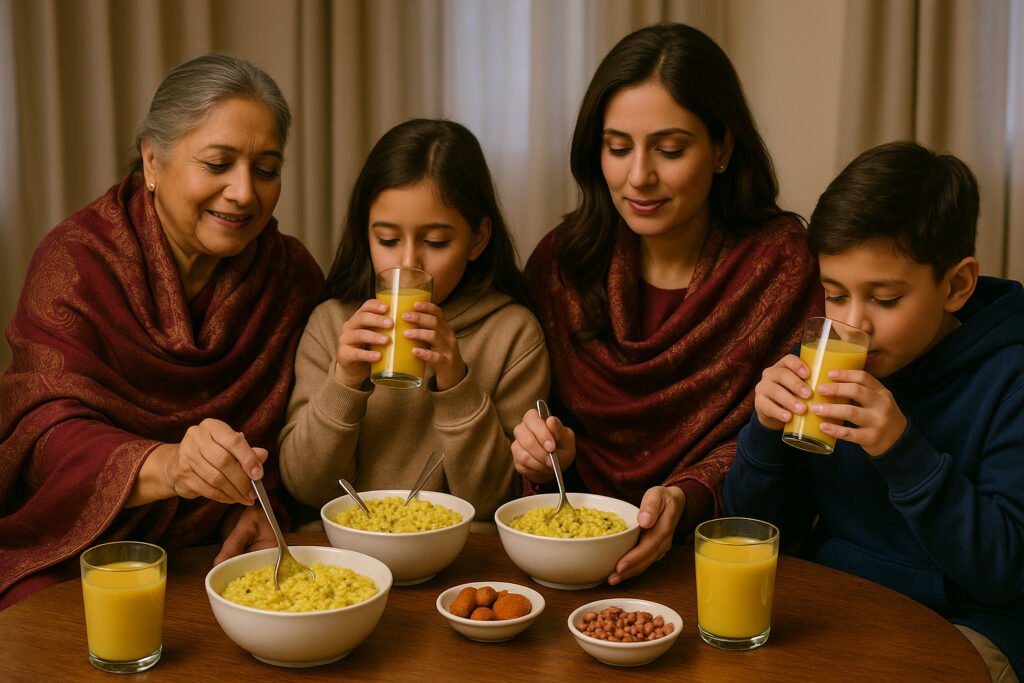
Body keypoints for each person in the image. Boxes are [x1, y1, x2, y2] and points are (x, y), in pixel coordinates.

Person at [0, 53, 324, 609]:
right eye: (218, 163)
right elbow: (41, 431)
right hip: (91, 544)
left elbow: (302, 435)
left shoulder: (290, 275)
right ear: (153, 159)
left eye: (267, 169)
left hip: (228, 545)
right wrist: (170, 465)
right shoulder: (77, 261)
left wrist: (259, 505)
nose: (245, 192)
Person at [510, 22, 821, 585]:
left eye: (670, 150)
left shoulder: (781, 266)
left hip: (728, 563)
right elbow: (534, 415)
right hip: (572, 561)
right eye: (618, 148)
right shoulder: (561, 265)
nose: (639, 177)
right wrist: (543, 446)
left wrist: (688, 495)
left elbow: (794, 450)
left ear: (723, 147)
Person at [723, 141, 1023, 682]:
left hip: (967, 626)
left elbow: (1004, 572)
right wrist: (764, 435)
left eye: (884, 300)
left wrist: (904, 453)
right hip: (835, 605)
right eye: (835, 295)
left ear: (957, 285)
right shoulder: (821, 362)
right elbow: (761, 534)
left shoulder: (1010, 377)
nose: (853, 324)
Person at [278, 118, 549, 523]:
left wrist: (457, 383)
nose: (407, 264)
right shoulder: (333, 324)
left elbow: (498, 502)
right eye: (387, 240)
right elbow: (305, 486)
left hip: (462, 558)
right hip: (350, 556)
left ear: (478, 238)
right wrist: (344, 383)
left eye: (436, 242)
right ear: (365, 233)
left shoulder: (513, 334)